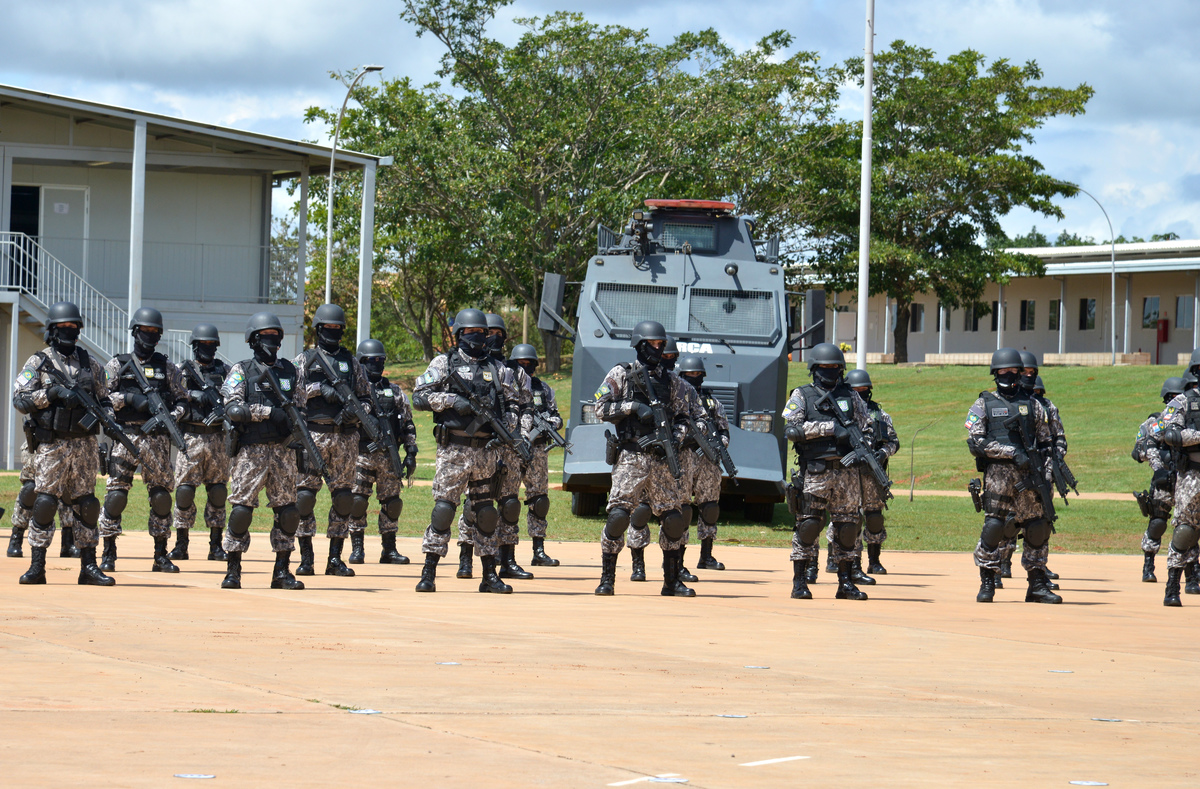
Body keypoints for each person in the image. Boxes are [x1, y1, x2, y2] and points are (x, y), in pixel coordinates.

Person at [410, 308, 524, 594]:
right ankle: (429, 573)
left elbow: (513, 405)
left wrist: (505, 426)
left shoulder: (498, 369)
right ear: (460, 334)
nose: (478, 338)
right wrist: (451, 401)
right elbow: (419, 396)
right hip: (454, 450)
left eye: (483, 333)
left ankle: (489, 576)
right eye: (472, 333)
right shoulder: (444, 363)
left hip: (486, 451)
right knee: (444, 510)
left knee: (486, 512)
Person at [592, 320, 705, 597]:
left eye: (660, 344)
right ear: (640, 345)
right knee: (619, 516)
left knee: (673, 519)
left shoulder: (674, 382)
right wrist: (633, 407)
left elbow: (687, 417)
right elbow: (599, 407)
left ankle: (671, 582)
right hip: (632, 457)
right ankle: (607, 579)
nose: (657, 349)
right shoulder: (622, 373)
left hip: (663, 459)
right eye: (652, 344)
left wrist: (675, 436)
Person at [12, 301, 112, 585]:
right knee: (45, 502)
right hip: (52, 445)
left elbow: (105, 399)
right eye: (63, 326)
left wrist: (106, 416)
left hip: (84, 446)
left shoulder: (90, 364)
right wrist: (52, 393)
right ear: (52, 330)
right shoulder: (39, 362)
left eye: (73, 326)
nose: (69, 331)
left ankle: (89, 566)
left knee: (87, 504)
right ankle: (37, 566)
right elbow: (20, 399)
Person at [965, 347, 1060, 604]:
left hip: (1031, 476)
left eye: (1014, 370)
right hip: (999, 475)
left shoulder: (1033, 405)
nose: (1009, 374)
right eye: (1004, 371)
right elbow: (975, 441)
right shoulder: (984, 403)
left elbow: (1046, 443)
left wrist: (1047, 474)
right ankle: (987, 580)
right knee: (995, 527)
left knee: (1037, 528)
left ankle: (1037, 584)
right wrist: (1009, 452)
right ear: (995, 374)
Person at [97, 306, 188, 574]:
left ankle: (160, 555)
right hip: (125, 437)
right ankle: (108, 552)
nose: (149, 336)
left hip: (157, 440)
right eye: (145, 331)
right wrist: (128, 399)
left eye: (154, 332)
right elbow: (101, 398)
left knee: (161, 498)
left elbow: (184, 400)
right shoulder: (117, 364)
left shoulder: (168, 367)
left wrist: (171, 415)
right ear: (135, 332)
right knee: (116, 496)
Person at [219, 312, 305, 590]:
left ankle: (282, 571)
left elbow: (301, 408)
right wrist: (268, 412)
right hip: (251, 452)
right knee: (242, 511)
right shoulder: (241, 370)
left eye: (276, 335)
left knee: (288, 512)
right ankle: (233, 570)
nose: (272, 340)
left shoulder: (292, 372)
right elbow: (232, 407)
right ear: (254, 340)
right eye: (266, 336)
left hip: (283, 452)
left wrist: (294, 425)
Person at [783, 343, 874, 601]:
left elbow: (867, 428)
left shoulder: (851, 396)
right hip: (816, 471)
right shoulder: (801, 395)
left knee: (848, 529)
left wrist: (860, 450)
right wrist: (829, 428)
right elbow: (791, 430)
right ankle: (800, 581)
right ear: (814, 368)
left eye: (835, 367)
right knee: (809, 525)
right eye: (825, 367)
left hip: (847, 472)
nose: (831, 371)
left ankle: (845, 582)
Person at [293, 303, 374, 578]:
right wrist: (319, 389)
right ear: (318, 330)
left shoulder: (352, 362)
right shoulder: (304, 360)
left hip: (345, 439)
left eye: (338, 329)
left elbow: (366, 397)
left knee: (343, 499)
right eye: (328, 328)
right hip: (313, 435)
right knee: (304, 498)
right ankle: (306, 557)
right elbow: (291, 393)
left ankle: (335, 559)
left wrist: (359, 410)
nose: (333, 333)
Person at [347, 338, 418, 565]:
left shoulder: (394, 391)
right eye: (370, 361)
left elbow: (407, 423)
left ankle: (389, 549)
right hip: (361, 455)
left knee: (392, 503)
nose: (376, 364)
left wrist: (410, 451)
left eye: (380, 360)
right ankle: (357, 548)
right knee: (358, 501)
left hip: (389, 457)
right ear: (361, 362)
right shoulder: (353, 391)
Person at [168, 324, 230, 563]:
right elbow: (171, 395)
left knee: (218, 492)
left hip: (217, 438)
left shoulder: (226, 371)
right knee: (184, 492)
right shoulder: (180, 371)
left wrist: (222, 407)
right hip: (190, 437)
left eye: (211, 344)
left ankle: (216, 546)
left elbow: (236, 395)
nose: (208, 348)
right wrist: (194, 395)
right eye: (203, 344)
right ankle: (181, 544)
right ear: (194, 346)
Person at [508, 343, 564, 567]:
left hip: (538, 450)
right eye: (520, 364)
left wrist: (547, 424)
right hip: (512, 450)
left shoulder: (544, 388)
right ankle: (506, 552)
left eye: (528, 364)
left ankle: (538, 551)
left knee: (539, 500)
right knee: (508, 501)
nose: (525, 367)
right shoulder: (506, 386)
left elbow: (557, 417)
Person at [843, 368, 899, 576]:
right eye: (856, 390)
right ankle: (845, 559)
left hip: (873, 475)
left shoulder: (880, 415)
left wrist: (883, 453)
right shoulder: (842, 414)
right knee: (849, 518)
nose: (861, 394)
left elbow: (894, 441)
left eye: (864, 390)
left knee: (874, 517)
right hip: (848, 474)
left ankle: (874, 560)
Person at [1156, 348, 1200, 606]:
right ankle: (1173, 586)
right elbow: (1170, 434)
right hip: (1192, 475)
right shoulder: (1182, 402)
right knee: (1185, 530)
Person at [677, 354, 729, 572]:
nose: (694, 378)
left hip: (708, 462)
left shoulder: (712, 403)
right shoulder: (676, 400)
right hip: (684, 459)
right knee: (682, 509)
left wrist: (718, 444)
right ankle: (677, 557)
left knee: (709, 508)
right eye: (690, 375)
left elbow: (724, 430)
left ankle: (706, 556)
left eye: (698, 375)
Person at [1133, 377, 1185, 583]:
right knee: (1157, 523)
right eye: (1171, 397)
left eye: (1178, 396)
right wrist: (1158, 469)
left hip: (1185, 478)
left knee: (1187, 525)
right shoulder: (1156, 422)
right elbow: (1141, 449)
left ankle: (1190, 572)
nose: (1175, 400)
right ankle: (1149, 564)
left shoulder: (1188, 420)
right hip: (1163, 479)